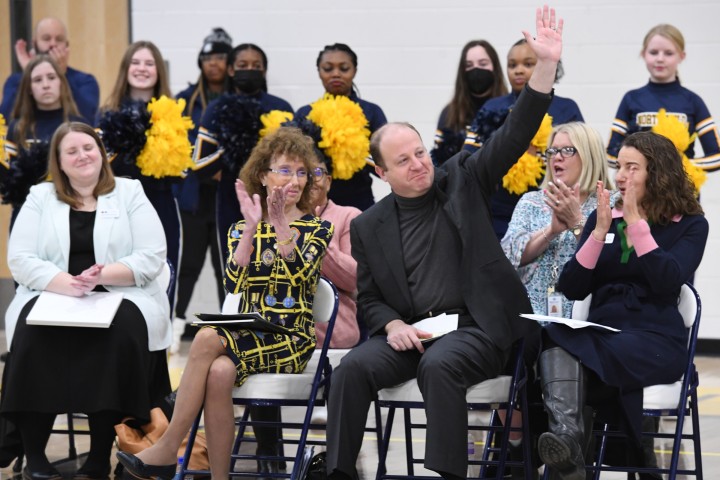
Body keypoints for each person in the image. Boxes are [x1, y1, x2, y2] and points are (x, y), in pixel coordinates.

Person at [324, 6, 562, 480]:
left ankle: (449, 474)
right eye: (403, 161)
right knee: (350, 368)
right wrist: (390, 324)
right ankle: (338, 473)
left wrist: (546, 66)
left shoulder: (463, 179)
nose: (418, 164)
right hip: (413, 332)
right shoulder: (370, 225)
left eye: (420, 153)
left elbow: (514, 133)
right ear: (381, 173)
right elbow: (369, 297)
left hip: (477, 329)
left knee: (439, 364)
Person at [116, 127, 333, 480]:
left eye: (301, 172)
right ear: (262, 176)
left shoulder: (317, 228)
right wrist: (250, 228)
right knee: (218, 372)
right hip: (249, 332)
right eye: (283, 170)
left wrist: (279, 223)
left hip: (290, 338)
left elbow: (299, 276)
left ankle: (170, 446)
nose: (293, 179)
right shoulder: (238, 228)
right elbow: (233, 283)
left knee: (203, 338)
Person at [0, 122, 172, 480]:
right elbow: (20, 257)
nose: (82, 155)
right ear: (59, 162)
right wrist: (66, 283)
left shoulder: (129, 192)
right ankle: (35, 456)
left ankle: (98, 458)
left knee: (118, 336)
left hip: (119, 292)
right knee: (31, 337)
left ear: (102, 153)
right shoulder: (40, 196)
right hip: (51, 293)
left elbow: (152, 254)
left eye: (89, 147)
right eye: (72, 151)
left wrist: (102, 275)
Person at [538, 131, 708, 480]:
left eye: (633, 167)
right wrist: (598, 233)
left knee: (576, 364)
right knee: (554, 333)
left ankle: (568, 454)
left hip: (655, 338)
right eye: (619, 166)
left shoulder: (690, 224)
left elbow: (667, 280)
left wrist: (636, 224)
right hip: (603, 332)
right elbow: (572, 287)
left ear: (657, 173)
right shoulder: (604, 217)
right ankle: (569, 442)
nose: (620, 176)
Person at [97, 41, 188, 313]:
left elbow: (182, 170)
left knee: (164, 274)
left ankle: (160, 347)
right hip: (116, 208)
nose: (142, 69)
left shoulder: (173, 114)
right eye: (136, 62)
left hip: (160, 206)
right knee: (117, 275)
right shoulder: (107, 113)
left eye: (149, 64)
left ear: (159, 71)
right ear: (126, 69)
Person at [464, 37, 584, 240]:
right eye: (512, 65)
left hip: (551, 207)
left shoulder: (567, 107)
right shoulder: (491, 108)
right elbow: (468, 158)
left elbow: (582, 157)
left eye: (528, 64)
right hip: (499, 209)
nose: (518, 70)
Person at [193, 43, 294, 264]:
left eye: (256, 65)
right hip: (232, 199)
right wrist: (232, 145)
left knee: (277, 266)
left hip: (277, 200)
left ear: (264, 71)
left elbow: (297, 160)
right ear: (231, 70)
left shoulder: (281, 107)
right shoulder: (217, 108)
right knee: (235, 266)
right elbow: (199, 165)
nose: (250, 69)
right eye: (243, 65)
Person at [502, 122, 613, 317]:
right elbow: (508, 256)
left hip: (586, 316)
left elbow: (609, 263)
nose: (557, 157)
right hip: (527, 314)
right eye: (552, 150)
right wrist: (551, 232)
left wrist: (576, 222)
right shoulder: (532, 200)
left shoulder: (610, 203)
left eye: (567, 150)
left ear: (590, 155)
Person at [171, 27, 233, 352]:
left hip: (228, 198)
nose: (214, 64)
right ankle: (176, 320)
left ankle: (230, 324)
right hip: (194, 197)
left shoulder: (237, 98)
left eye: (221, 57)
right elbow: (176, 146)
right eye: (208, 57)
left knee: (227, 264)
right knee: (189, 263)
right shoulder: (186, 100)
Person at [607, 24, 720, 172]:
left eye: (668, 53)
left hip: (682, 192)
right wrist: (639, 165)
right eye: (653, 52)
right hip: (638, 191)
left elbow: (716, 156)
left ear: (681, 56)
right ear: (643, 54)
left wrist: (677, 166)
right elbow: (610, 155)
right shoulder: (631, 99)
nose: (660, 59)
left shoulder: (693, 101)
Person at [295, 43, 387, 211]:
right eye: (328, 68)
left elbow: (384, 162)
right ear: (319, 72)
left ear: (355, 71)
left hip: (360, 201)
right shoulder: (305, 113)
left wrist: (356, 154)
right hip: (314, 204)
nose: (336, 74)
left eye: (344, 68)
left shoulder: (371, 111)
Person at [1, 54, 83, 226]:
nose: (45, 85)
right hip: (27, 216)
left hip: (71, 217)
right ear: (29, 88)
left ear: (61, 82)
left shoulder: (79, 125)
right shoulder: (16, 128)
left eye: (51, 78)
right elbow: (9, 184)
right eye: (37, 80)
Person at [0, 17, 99, 124]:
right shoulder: (15, 81)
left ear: (67, 45)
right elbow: (5, 119)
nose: (53, 44)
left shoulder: (85, 81)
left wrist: (62, 75)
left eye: (59, 39)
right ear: (34, 44)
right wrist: (28, 75)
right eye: (46, 39)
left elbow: (87, 118)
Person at [308, 153, 361, 348]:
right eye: (303, 173)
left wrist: (314, 230)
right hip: (283, 332)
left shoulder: (349, 216)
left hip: (335, 332)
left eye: (317, 173)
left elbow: (353, 278)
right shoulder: (277, 220)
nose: (310, 180)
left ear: (328, 182)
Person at [430, 40, 508, 166]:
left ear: (495, 67)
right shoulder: (450, 113)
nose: (476, 70)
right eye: (469, 65)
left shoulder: (509, 108)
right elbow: (438, 161)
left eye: (483, 64)